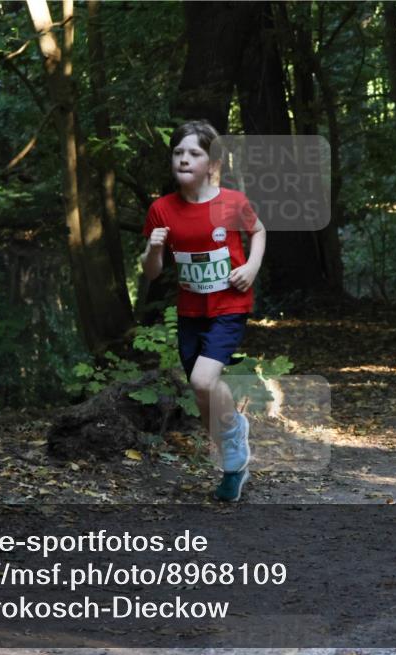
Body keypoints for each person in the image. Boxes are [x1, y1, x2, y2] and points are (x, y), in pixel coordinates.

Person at [141, 120, 266, 502]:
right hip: (191, 310)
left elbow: (259, 231)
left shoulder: (232, 203)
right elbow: (151, 272)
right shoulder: (162, 210)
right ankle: (233, 461)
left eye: (194, 153)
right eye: (178, 152)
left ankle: (232, 444)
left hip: (229, 304)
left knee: (202, 381)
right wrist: (154, 249)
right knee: (202, 395)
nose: (184, 159)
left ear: (212, 163)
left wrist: (251, 267)